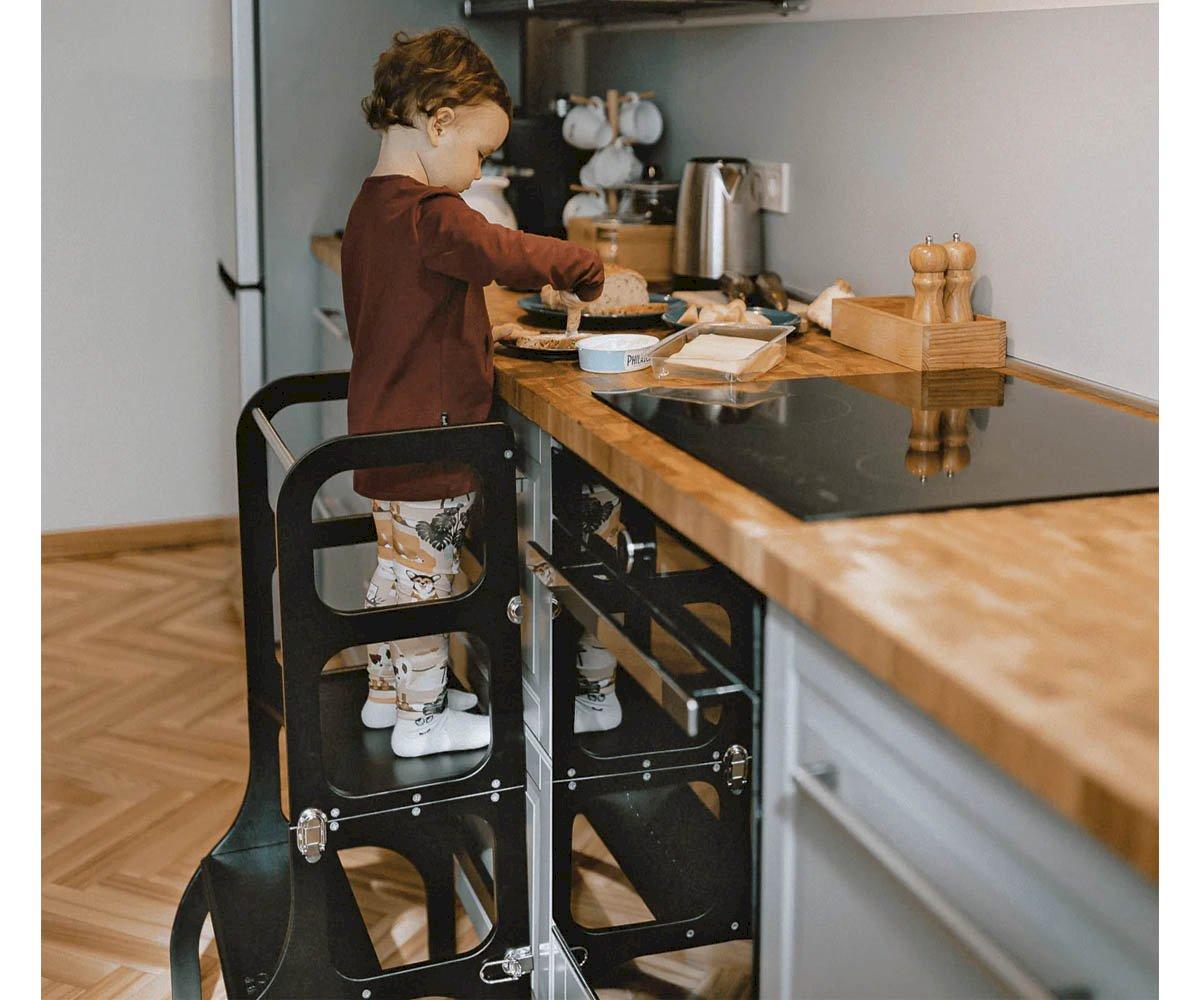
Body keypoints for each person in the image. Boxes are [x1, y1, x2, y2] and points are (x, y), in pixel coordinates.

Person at [341, 27, 620, 758]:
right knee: (426, 582)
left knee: (397, 571)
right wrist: (585, 269)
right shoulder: (430, 214)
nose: (475, 171)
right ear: (439, 121)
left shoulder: (372, 209)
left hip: (384, 428)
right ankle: (424, 721)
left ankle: (387, 694)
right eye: (480, 152)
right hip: (430, 439)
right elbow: (504, 251)